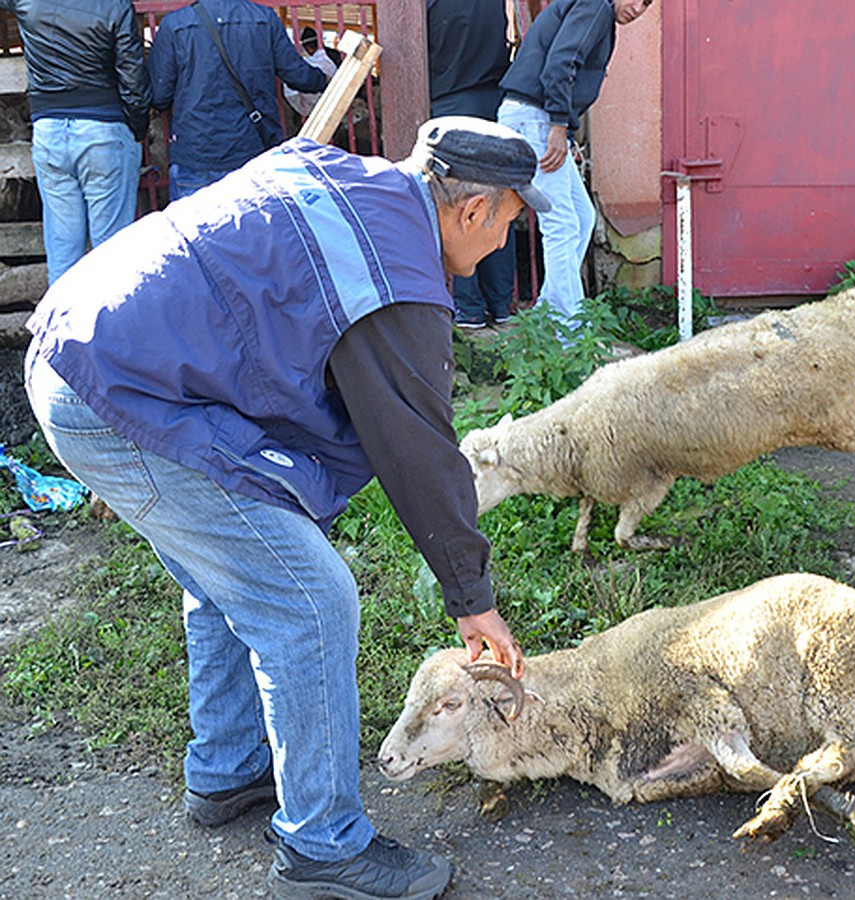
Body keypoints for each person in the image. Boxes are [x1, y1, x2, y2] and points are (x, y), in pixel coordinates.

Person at [24, 116, 548, 898]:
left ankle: (229, 769)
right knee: (307, 599)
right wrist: (472, 599)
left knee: (234, 568)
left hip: (87, 347)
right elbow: (419, 449)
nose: (505, 242)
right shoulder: (398, 275)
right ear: (472, 210)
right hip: (120, 390)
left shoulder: (347, 180)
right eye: (510, 220)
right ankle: (323, 849)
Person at [498, 0, 655, 331]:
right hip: (536, 118)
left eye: (647, 5)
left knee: (582, 217)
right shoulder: (596, 5)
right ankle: (569, 335)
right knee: (561, 225)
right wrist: (558, 124)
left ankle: (546, 315)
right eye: (638, 0)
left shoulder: (599, 15)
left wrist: (564, 132)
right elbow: (561, 62)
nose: (640, 9)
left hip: (539, 119)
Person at [0, 0, 151, 285]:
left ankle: (65, 326)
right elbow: (133, 77)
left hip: (49, 130)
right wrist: (137, 130)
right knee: (111, 249)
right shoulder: (115, 6)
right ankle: (110, 327)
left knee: (63, 247)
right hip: (104, 129)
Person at [145, 0, 329, 201]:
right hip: (255, 151)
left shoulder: (175, 25)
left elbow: (159, 95)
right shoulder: (265, 19)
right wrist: (326, 79)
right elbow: (298, 76)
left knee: (194, 230)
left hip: (198, 153)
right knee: (257, 229)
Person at [428, 0, 517, 329]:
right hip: (493, 104)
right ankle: (502, 303)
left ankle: (469, 309)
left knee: (458, 209)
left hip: (448, 107)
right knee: (498, 204)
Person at [283, 27, 341, 120]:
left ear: (307, 47)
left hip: (318, 109)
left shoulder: (309, 63)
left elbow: (292, 93)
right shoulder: (332, 56)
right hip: (338, 104)